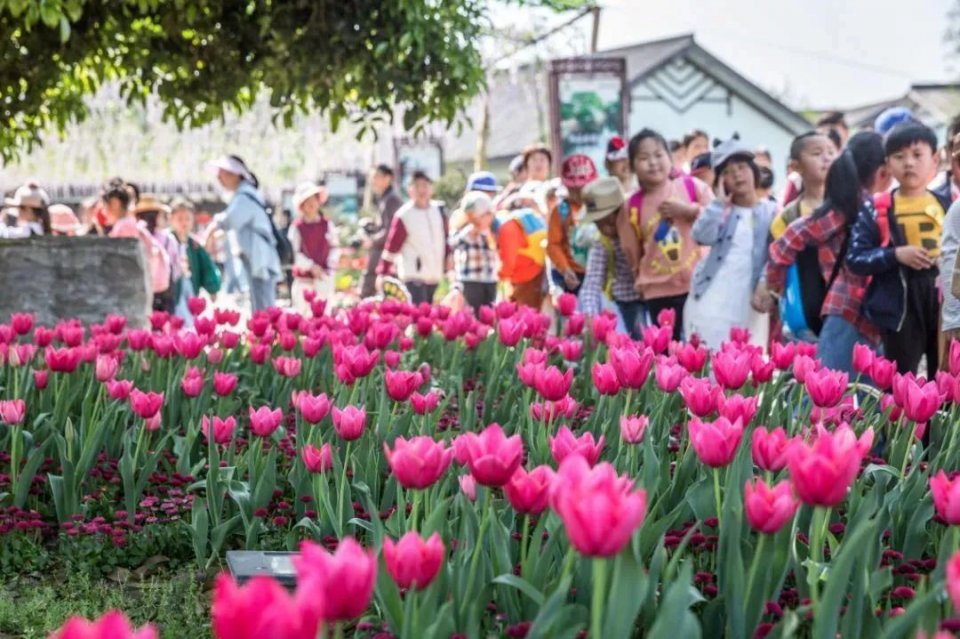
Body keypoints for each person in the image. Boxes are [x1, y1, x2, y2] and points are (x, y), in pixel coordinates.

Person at [766, 132, 890, 374]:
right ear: (881, 172)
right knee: (828, 389)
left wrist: (774, 280)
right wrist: (774, 282)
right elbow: (789, 239)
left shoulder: (870, 205)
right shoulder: (851, 209)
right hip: (848, 308)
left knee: (847, 390)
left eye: (831, 153)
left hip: (862, 309)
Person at [847, 122, 951, 375]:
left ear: (935, 159)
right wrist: (896, 255)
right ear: (887, 164)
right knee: (900, 380)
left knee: (947, 376)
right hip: (899, 308)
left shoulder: (949, 206)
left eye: (917, 155)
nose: (909, 163)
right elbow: (856, 258)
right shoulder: (878, 207)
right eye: (899, 156)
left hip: (943, 303)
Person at [617, 128, 714, 340]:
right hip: (658, 291)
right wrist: (642, 279)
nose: (653, 162)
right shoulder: (632, 206)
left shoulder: (691, 187)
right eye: (644, 157)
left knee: (699, 348)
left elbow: (719, 221)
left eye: (659, 155)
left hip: (697, 284)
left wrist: (690, 211)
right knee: (667, 352)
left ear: (670, 159)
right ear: (632, 165)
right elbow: (631, 250)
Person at [684, 137, 777, 351]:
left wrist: (764, 283)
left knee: (744, 365)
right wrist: (718, 203)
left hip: (748, 299)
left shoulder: (771, 211)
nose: (736, 174)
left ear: (754, 171)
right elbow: (700, 235)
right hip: (712, 298)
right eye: (727, 171)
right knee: (710, 357)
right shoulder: (720, 211)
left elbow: (775, 255)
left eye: (742, 167)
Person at [208, 154, 282, 312]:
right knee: (261, 303)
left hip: (259, 259)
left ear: (234, 174)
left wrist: (212, 227)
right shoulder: (245, 194)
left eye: (222, 176)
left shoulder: (244, 196)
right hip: (256, 258)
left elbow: (231, 219)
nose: (220, 181)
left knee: (263, 307)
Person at [578, 177, 643, 338]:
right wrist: (591, 317)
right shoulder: (603, 243)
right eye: (598, 224)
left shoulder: (641, 228)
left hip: (653, 296)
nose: (605, 229)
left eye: (609, 221)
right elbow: (591, 285)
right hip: (626, 303)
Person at [377, 170, 449, 305]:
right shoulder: (404, 215)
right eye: (417, 186)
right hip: (414, 276)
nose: (422, 190)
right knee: (418, 316)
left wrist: (449, 262)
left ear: (431, 189)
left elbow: (446, 239)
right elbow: (392, 246)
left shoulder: (438, 211)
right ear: (410, 190)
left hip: (435, 274)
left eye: (425, 185)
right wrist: (383, 273)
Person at [104, 180, 171, 299]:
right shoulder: (130, 225)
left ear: (114, 203)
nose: (103, 211)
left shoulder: (125, 227)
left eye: (105, 205)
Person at [547, 154, 598, 295]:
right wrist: (565, 269)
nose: (578, 192)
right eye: (573, 188)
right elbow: (553, 244)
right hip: (574, 275)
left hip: (599, 272)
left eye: (583, 187)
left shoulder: (601, 206)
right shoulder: (561, 211)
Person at [769, 132, 836, 240]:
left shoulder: (847, 204)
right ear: (796, 166)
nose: (827, 158)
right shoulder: (786, 218)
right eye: (817, 153)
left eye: (831, 152)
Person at [288, 181, 340, 316]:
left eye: (314, 199)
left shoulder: (327, 225)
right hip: (304, 281)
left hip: (323, 279)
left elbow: (335, 247)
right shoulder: (297, 228)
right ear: (302, 205)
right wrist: (311, 267)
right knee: (304, 316)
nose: (311, 204)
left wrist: (328, 267)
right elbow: (294, 253)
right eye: (307, 201)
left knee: (323, 316)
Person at [169, 199, 221, 324]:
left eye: (187, 219)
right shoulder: (167, 240)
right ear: (171, 220)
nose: (184, 223)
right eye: (179, 219)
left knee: (189, 316)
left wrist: (212, 288)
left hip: (190, 285)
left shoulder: (195, 244)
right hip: (172, 289)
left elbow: (206, 267)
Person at [495, 186, 548, 310]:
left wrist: (500, 275)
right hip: (536, 272)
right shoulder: (531, 219)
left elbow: (509, 260)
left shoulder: (508, 225)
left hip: (524, 276)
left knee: (524, 318)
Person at [448, 192, 499, 313]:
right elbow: (454, 244)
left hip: (489, 279)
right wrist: (471, 230)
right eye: (486, 214)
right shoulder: (465, 232)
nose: (490, 217)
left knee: (487, 315)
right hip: (470, 280)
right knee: (472, 313)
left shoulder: (489, 231)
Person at [361, 164, 403, 299]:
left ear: (388, 178)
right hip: (381, 250)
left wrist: (371, 241)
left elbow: (392, 231)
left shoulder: (392, 199)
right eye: (372, 177)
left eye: (377, 177)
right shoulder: (385, 197)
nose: (373, 181)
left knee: (373, 290)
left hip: (384, 252)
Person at [134, 195, 183, 312]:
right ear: (158, 216)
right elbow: (176, 270)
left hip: (139, 293)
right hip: (164, 294)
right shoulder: (168, 240)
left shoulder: (133, 237)